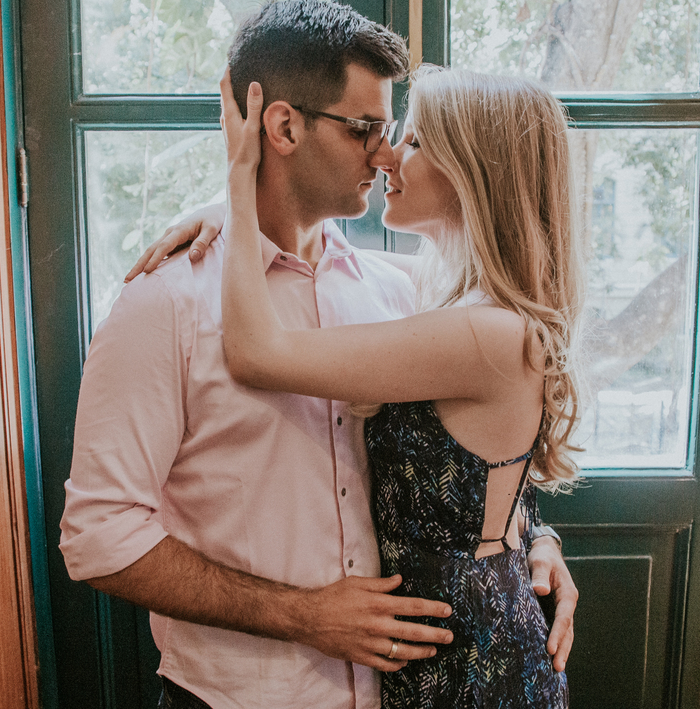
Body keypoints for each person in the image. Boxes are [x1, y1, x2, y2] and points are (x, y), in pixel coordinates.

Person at [60, 0, 576, 709]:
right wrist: (302, 615)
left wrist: (533, 543)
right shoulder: (165, 305)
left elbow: (471, 454)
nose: (385, 152)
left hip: (407, 691)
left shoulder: (398, 293)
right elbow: (98, 537)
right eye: (366, 128)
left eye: (395, 132)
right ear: (282, 126)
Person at [215, 63, 581, 708]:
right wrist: (217, 222)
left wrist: (240, 179)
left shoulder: (485, 334)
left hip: (469, 663)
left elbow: (254, 353)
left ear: (473, 173)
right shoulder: (454, 297)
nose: (385, 154)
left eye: (411, 142)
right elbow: (313, 248)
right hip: (448, 637)